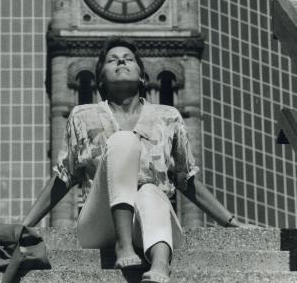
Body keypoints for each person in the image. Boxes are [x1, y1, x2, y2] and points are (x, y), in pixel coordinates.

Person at [23, 36, 251, 283]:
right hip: (101, 225)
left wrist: (230, 222)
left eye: (128, 58)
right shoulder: (83, 116)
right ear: (101, 78)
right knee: (124, 141)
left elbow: (186, 179)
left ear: (142, 76)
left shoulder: (168, 117)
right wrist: (25, 224)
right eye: (112, 60)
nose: (121, 60)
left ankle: (160, 266)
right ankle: (124, 244)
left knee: (151, 190)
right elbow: (63, 177)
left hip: (151, 221)